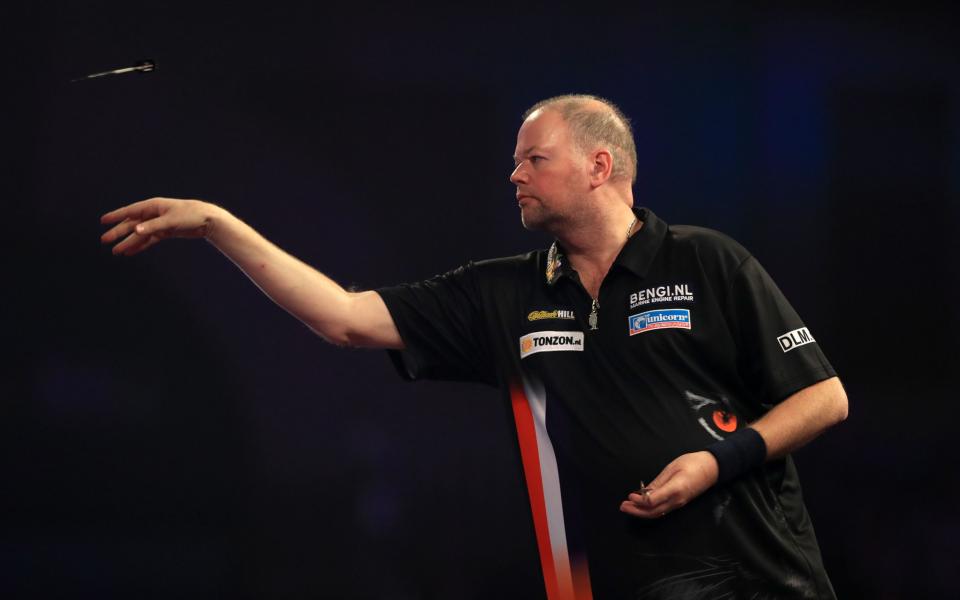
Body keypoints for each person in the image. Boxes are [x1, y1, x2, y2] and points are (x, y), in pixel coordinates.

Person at [101, 94, 848, 599]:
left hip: (757, 581)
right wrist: (219, 226)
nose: (513, 173)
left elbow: (824, 397)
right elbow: (346, 318)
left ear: (599, 167)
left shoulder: (708, 261)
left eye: (535, 159)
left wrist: (719, 459)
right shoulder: (502, 294)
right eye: (516, 160)